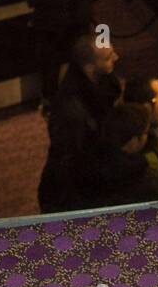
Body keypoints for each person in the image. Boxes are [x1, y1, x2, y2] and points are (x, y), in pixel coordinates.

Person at [37, 35, 122, 213]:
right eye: (108, 57)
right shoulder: (72, 113)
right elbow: (70, 165)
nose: (116, 58)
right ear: (90, 67)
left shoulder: (100, 80)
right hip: (72, 194)